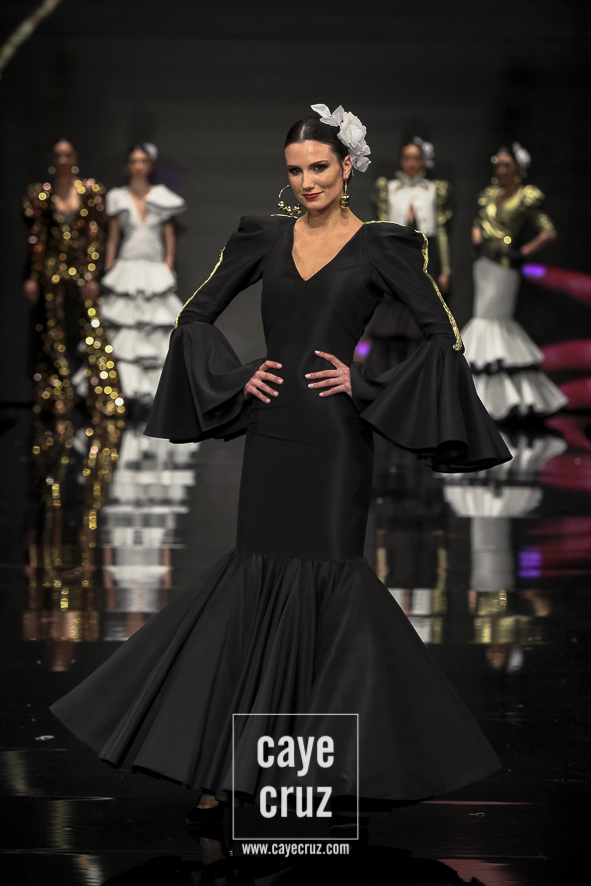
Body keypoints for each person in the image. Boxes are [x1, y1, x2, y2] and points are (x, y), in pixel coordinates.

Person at [50, 104, 511, 826]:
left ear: (347, 167)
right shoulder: (265, 238)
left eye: (318, 167)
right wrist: (238, 378)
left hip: (334, 437)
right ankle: (224, 764)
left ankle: (326, 765)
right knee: (256, 586)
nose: (306, 182)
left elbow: (441, 336)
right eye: (294, 170)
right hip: (274, 431)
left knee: (331, 587)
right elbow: (193, 315)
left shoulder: (380, 246)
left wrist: (366, 385)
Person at [461, 143, 567, 421]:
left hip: (504, 267)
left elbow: (548, 232)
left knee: (493, 323)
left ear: (518, 168)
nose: (500, 170)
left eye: (506, 165)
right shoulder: (490, 194)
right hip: (483, 265)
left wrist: (523, 252)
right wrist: (476, 234)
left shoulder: (526, 197)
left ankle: (501, 400)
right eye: (498, 164)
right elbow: (478, 221)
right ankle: (485, 399)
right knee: (484, 320)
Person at [23, 139, 124, 419]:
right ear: (52, 158)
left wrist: (92, 273)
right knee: (50, 329)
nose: (63, 160)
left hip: (81, 266)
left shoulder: (89, 191)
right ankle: (54, 394)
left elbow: (94, 235)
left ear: (75, 156)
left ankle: (103, 395)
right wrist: (33, 275)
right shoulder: (42, 194)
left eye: (67, 155)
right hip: (51, 266)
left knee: (93, 327)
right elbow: (38, 237)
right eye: (58, 155)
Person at [100, 143, 186, 411]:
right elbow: (113, 237)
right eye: (134, 161)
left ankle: (154, 395)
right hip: (127, 267)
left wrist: (168, 265)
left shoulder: (162, 196)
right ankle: (126, 393)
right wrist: (109, 269)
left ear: (150, 165)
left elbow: (168, 235)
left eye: (143, 161)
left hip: (154, 269)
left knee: (155, 327)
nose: (138, 165)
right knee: (127, 328)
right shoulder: (117, 197)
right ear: (128, 166)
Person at [366, 136, 453, 374]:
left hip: (425, 258)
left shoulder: (433, 189)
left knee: (422, 313)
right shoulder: (390, 188)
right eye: (407, 158)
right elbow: (381, 229)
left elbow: (441, 231)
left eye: (416, 158)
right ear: (401, 160)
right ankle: (388, 372)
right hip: (396, 256)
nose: (411, 163)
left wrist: (446, 269)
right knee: (394, 312)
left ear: (423, 160)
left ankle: (421, 372)